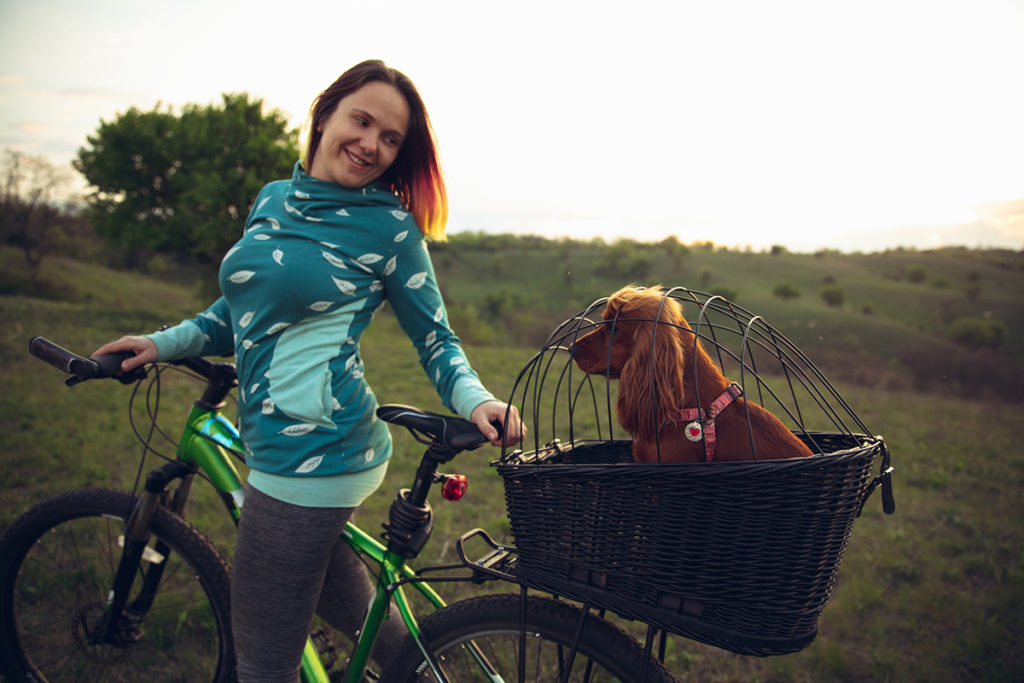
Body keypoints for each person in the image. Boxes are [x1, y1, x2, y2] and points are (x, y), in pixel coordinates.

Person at [93, 59, 524, 681]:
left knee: (263, 662)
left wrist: (476, 399)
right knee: (337, 597)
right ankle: (426, 670)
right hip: (278, 447)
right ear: (325, 115)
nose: (371, 144)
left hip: (316, 456)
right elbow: (241, 311)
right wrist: (161, 343)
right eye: (362, 120)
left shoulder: (391, 230)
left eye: (390, 138)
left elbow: (434, 337)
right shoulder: (273, 197)